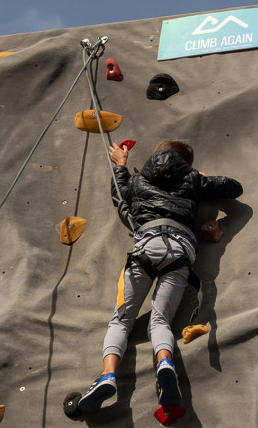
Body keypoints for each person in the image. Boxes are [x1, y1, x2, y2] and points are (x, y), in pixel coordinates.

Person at [78, 140, 243, 413]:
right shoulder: (192, 179)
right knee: (160, 321)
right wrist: (202, 178)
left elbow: (118, 194)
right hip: (180, 251)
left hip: (147, 245)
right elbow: (235, 188)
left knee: (121, 321)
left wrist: (121, 164)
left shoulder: (139, 180)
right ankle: (165, 364)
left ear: (156, 154)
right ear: (187, 163)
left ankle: (108, 376)